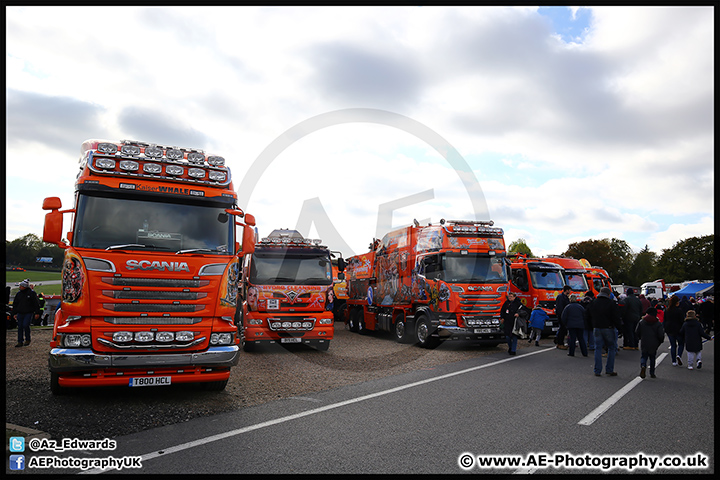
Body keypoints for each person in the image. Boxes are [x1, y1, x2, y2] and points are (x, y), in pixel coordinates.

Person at [584, 287, 623, 376]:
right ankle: (609, 369)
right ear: (608, 295)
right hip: (608, 328)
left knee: (597, 348)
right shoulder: (611, 303)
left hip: (597, 327)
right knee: (611, 348)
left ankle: (597, 370)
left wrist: (591, 326)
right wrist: (620, 329)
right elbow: (616, 317)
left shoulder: (593, 303)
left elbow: (587, 315)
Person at [635, 307, 665, 378]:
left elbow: (637, 332)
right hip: (654, 343)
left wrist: (640, 337)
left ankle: (643, 365)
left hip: (644, 341)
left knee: (644, 356)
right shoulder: (658, 324)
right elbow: (661, 334)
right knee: (652, 357)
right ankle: (652, 372)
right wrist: (660, 341)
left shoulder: (642, 322)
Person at [11, 279, 40, 347]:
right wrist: (14, 313)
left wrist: (37, 312)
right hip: (20, 312)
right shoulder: (19, 294)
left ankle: (27, 339)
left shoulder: (31, 293)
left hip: (28, 312)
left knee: (26, 325)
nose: (19, 287)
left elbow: (36, 303)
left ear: (24, 287)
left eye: (21, 286)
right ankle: (20, 341)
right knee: (20, 326)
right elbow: (15, 304)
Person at [664, 295, 685, 366]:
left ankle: (673, 361)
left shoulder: (667, 310)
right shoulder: (679, 311)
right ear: (677, 303)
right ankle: (679, 355)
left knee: (673, 345)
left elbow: (665, 320)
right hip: (678, 329)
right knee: (681, 344)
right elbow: (682, 320)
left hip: (669, 329)